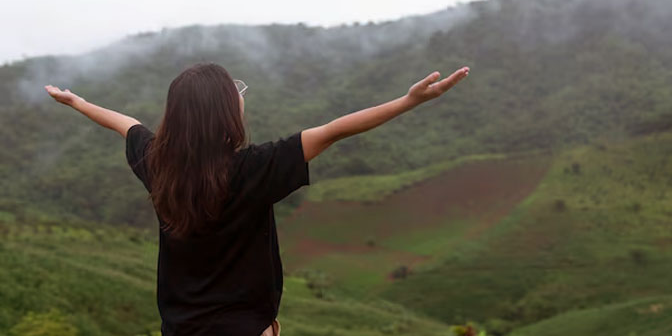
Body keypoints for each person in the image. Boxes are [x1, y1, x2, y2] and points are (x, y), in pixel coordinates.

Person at [44, 62, 469, 336]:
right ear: (225, 114)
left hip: (178, 329)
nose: (242, 100)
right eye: (236, 95)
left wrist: (78, 102)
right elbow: (335, 129)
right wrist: (409, 102)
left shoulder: (158, 166)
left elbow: (126, 125)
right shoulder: (253, 169)